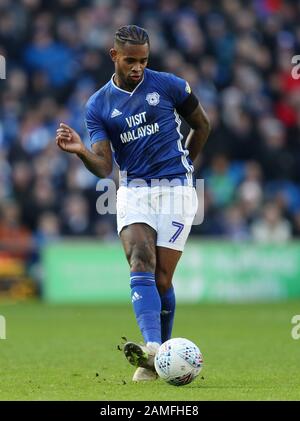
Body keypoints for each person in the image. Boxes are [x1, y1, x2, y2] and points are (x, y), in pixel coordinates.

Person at [56, 25, 210, 382]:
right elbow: (104, 166)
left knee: (162, 278)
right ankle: (154, 349)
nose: (138, 67)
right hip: (135, 189)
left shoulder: (169, 85)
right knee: (140, 259)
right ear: (114, 56)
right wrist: (81, 151)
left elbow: (202, 125)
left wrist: (186, 164)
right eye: (130, 60)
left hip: (176, 188)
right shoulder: (98, 105)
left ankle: (158, 359)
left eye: (143, 60)